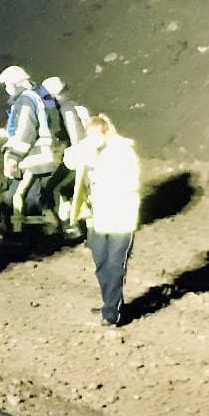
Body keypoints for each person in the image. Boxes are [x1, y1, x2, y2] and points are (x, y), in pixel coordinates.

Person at [64, 112, 140, 327]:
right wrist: (84, 148)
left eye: (95, 134)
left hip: (121, 217)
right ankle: (110, 302)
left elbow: (129, 181)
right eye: (89, 134)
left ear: (106, 132)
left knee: (115, 264)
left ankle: (111, 312)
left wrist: (98, 170)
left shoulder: (123, 151)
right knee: (101, 264)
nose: (92, 138)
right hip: (97, 218)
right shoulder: (90, 150)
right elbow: (69, 160)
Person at [0, 65, 60, 244]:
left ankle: (18, 238)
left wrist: (14, 157)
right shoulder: (32, 97)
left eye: (7, 84)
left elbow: (26, 131)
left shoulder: (25, 100)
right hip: (37, 156)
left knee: (15, 197)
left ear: (15, 83)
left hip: (30, 157)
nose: (6, 89)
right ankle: (33, 238)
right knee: (31, 198)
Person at [40, 76, 90, 239]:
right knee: (67, 189)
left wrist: (74, 154)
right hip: (85, 154)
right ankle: (76, 223)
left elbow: (75, 135)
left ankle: (70, 227)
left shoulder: (67, 109)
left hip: (78, 156)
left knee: (54, 189)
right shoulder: (75, 105)